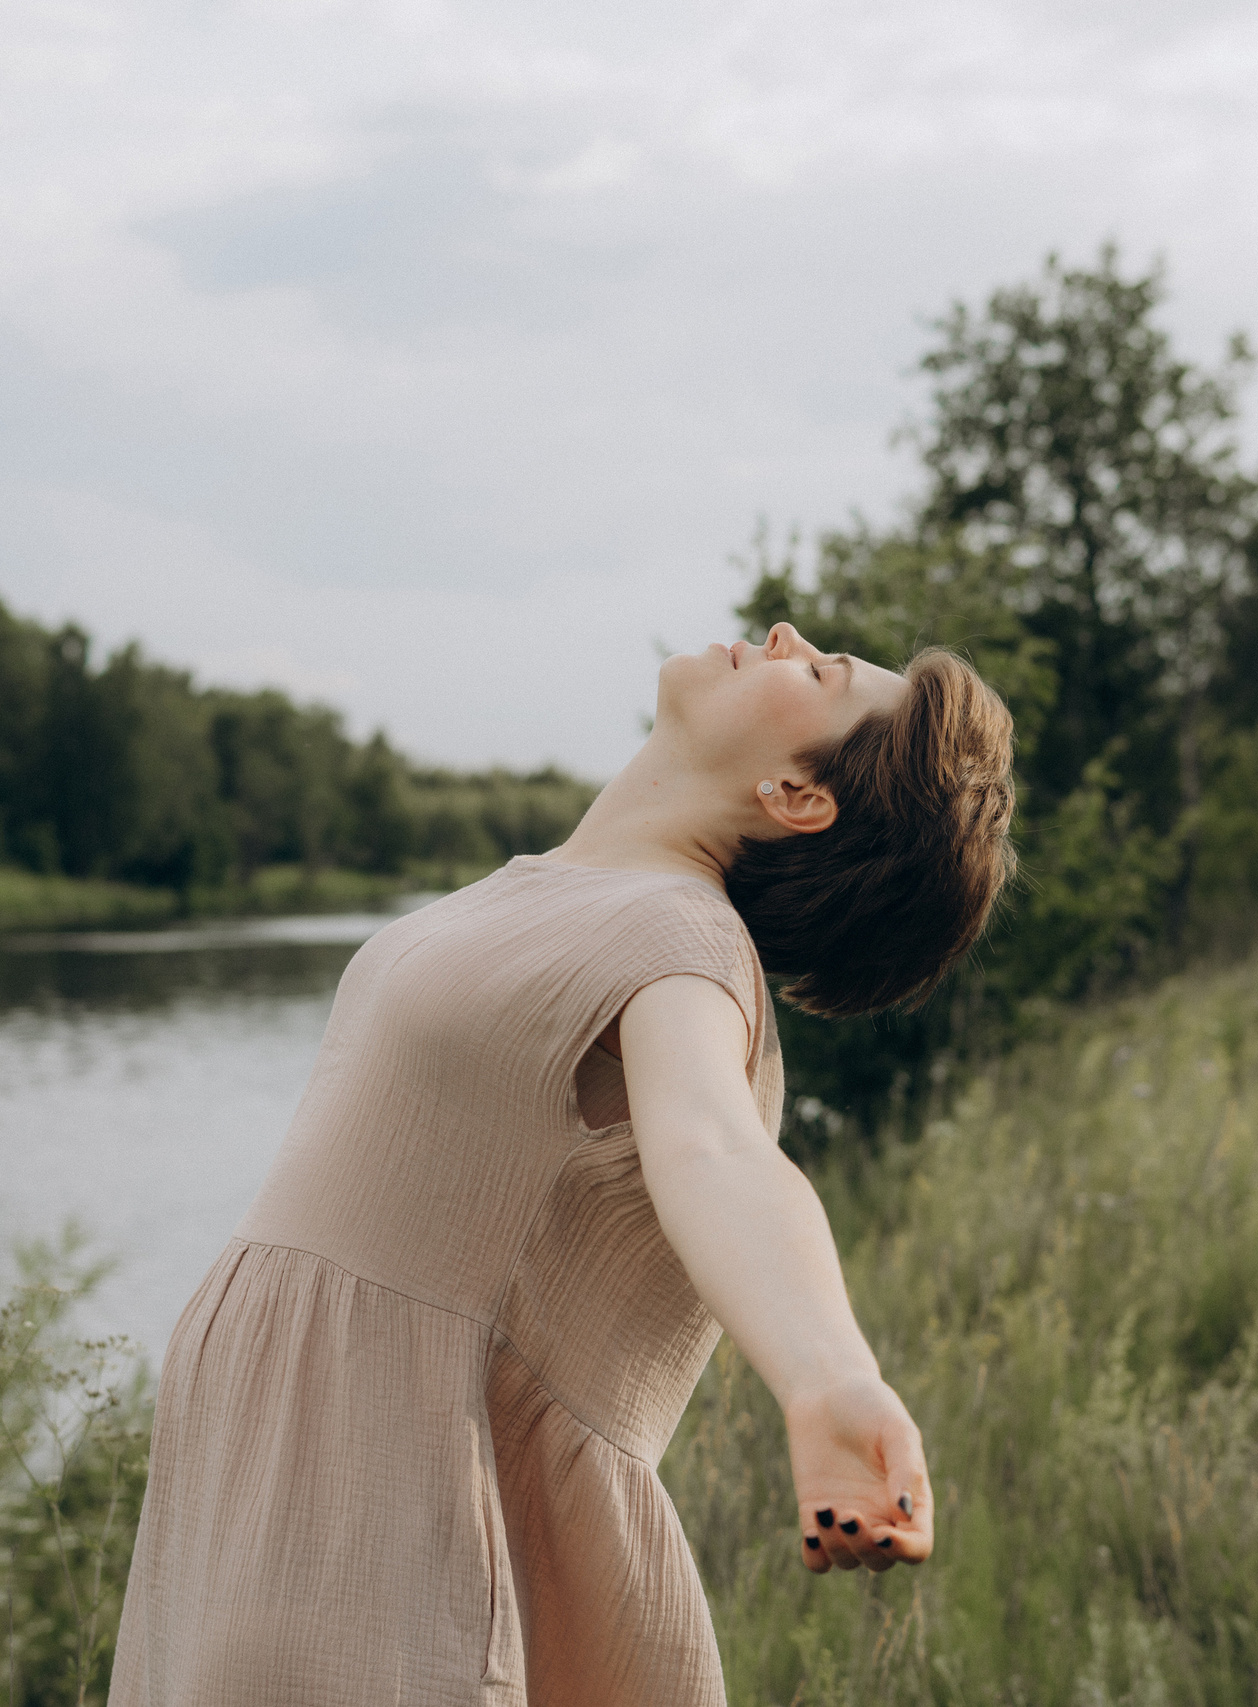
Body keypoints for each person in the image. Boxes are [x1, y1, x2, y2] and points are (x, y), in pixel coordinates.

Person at [111, 622, 1018, 1705]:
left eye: (820, 674)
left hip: (383, 1498)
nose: (787, 634)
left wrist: (827, 1376)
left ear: (796, 794)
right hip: (282, 1458)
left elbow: (716, 1147)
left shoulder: (683, 941)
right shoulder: (561, 894)